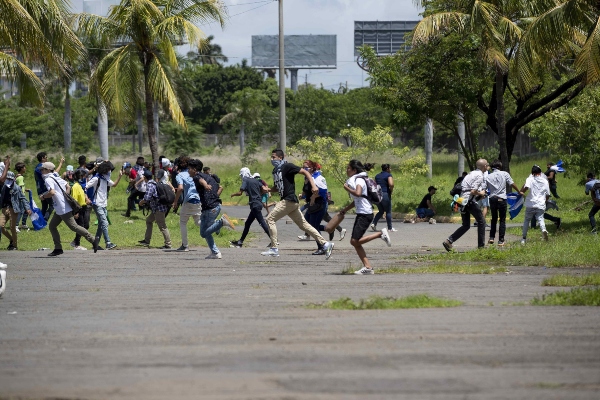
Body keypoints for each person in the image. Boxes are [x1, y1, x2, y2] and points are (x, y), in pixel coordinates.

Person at [260, 149, 334, 258]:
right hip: (291, 202)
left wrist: (313, 186)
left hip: (288, 200)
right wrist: (269, 190)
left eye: (274, 157)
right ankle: (326, 244)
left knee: (269, 219)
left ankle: (274, 248)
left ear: (280, 157)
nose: (272, 159)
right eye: (271, 157)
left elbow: (305, 172)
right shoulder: (276, 171)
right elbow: (278, 187)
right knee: (303, 225)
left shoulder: (287, 166)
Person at [339, 160, 391, 275]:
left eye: (348, 168)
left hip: (365, 214)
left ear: (354, 170)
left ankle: (380, 234)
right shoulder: (359, 179)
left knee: (354, 241)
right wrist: (345, 210)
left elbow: (357, 193)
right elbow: (358, 199)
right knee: (355, 242)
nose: (347, 170)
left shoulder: (359, 180)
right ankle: (367, 267)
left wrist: (346, 188)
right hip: (362, 213)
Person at [39, 162, 99, 256]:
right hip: (60, 208)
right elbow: (67, 185)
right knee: (52, 226)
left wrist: (43, 196)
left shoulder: (48, 179)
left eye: (42, 169)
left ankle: (93, 239)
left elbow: (52, 192)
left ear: (47, 170)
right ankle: (58, 248)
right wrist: (64, 197)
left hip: (63, 209)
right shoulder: (56, 177)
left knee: (74, 227)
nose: (41, 171)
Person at [189, 159, 234, 259]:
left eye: (189, 169)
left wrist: (205, 185)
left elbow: (201, 181)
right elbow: (218, 190)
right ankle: (215, 252)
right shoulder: (210, 177)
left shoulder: (197, 177)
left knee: (204, 233)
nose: (188, 171)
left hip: (210, 208)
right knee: (206, 232)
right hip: (213, 206)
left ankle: (221, 222)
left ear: (194, 169)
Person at [443, 159, 489, 252]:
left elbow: (466, 189)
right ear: (484, 166)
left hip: (462, 200)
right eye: (487, 165)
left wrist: (478, 195)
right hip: (469, 201)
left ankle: (449, 241)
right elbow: (473, 191)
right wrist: (481, 193)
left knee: (466, 225)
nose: (488, 167)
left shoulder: (471, 173)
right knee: (481, 222)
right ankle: (481, 247)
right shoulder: (480, 175)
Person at [87, 161, 124, 250]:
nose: (109, 172)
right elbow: (86, 186)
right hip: (97, 203)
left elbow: (114, 185)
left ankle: (95, 244)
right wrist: (86, 198)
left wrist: (120, 176)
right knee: (104, 223)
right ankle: (108, 242)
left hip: (103, 204)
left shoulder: (105, 178)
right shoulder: (96, 178)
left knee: (101, 224)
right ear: (104, 170)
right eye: (108, 170)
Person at [230, 168, 271, 248]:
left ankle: (273, 240)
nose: (241, 176)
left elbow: (240, 193)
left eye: (241, 175)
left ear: (243, 174)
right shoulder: (255, 180)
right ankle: (240, 242)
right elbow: (264, 189)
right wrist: (259, 194)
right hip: (258, 203)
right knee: (247, 223)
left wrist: (233, 194)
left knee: (262, 222)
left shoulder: (245, 180)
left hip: (254, 204)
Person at [485, 160, 520, 246]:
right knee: (502, 220)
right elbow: (511, 183)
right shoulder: (505, 174)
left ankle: (491, 238)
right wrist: (519, 191)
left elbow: (485, 188)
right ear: (500, 167)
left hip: (492, 199)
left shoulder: (488, 176)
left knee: (494, 219)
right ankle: (501, 240)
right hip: (502, 199)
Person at [172, 156, 202, 252]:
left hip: (188, 200)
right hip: (198, 200)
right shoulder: (195, 173)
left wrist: (175, 201)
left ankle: (185, 246)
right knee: (198, 222)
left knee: (183, 222)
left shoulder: (180, 175)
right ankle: (218, 224)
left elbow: (180, 188)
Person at [300, 160, 329, 255]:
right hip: (311, 205)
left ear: (312, 168)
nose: (304, 169)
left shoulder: (318, 178)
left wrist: (313, 198)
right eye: (303, 167)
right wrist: (303, 195)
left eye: (306, 167)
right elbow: (307, 189)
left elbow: (322, 191)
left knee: (313, 227)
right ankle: (328, 228)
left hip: (319, 204)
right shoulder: (308, 177)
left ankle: (322, 247)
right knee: (307, 225)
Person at [138, 169, 173, 249]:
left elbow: (147, 197)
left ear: (145, 177)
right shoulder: (154, 182)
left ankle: (168, 244)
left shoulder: (150, 185)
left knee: (162, 226)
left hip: (159, 208)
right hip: (156, 208)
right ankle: (146, 241)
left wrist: (141, 202)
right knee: (149, 221)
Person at [0, 170, 31, 250]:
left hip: (13, 209)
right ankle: (11, 239)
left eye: (10, 179)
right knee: (1, 226)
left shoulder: (16, 188)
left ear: (13, 179)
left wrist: (27, 208)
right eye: (7, 179)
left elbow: (23, 198)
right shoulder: (4, 187)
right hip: (4, 209)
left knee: (12, 227)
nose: (8, 180)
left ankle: (14, 245)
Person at [519, 165, 551, 244]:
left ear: (532, 173)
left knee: (527, 220)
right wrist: (544, 202)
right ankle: (543, 229)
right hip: (540, 204)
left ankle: (523, 238)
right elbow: (547, 194)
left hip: (530, 203)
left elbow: (525, 188)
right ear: (540, 173)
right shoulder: (545, 181)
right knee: (540, 218)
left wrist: (522, 192)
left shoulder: (530, 179)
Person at [34, 152, 64, 220]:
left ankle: (41, 220)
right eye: (46, 157)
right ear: (42, 158)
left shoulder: (37, 167)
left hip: (40, 189)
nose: (47, 158)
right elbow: (54, 174)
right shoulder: (42, 168)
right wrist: (61, 163)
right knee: (52, 205)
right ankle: (45, 219)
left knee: (44, 206)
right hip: (46, 189)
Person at [69, 169, 91, 250]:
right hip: (79, 209)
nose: (83, 178)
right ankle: (77, 244)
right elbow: (74, 200)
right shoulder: (75, 186)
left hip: (84, 207)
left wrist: (86, 199)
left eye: (83, 176)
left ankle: (75, 241)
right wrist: (75, 212)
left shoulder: (79, 185)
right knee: (80, 226)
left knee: (86, 225)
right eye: (81, 176)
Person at [372, 164, 396, 232]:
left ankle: (374, 223)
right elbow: (391, 184)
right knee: (388, 211)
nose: (390, 170)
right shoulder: (389, 175)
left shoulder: (377, 176)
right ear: (387, 169)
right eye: (390, 168)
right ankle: (390, 228)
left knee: (381, 211)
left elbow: (374, 185)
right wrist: (391, 190)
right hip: (385, 194)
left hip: (377, 195)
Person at [14, 162, 31, 230]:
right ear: (21, 169)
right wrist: (22, 196)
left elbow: (18, 186)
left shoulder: (17, 176)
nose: (25, 168)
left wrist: (25, 189)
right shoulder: (20, 177)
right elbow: (20, 188)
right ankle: (16, 226)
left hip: (20, 196)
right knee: (21, 211)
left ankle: (23, 224)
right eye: (24, 167)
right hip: (21, 197)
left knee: (25, 211)